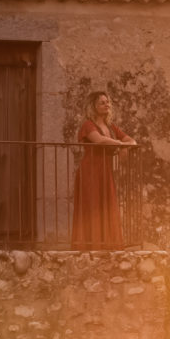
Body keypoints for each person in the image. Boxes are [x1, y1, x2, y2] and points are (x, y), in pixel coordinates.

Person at [71, 91, 136, 249]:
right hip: (90, 171)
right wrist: (120, 145)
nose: (107, 105)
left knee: (106, 205)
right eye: (102, 102)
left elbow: (132, 141)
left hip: (105, 171)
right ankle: (90, 245)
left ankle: (107, 243)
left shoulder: (111, 127)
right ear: (94, 107)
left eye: (108, 102)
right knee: (92, 206)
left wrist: (124, 146)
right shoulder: (88, 125)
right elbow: (99, 141)